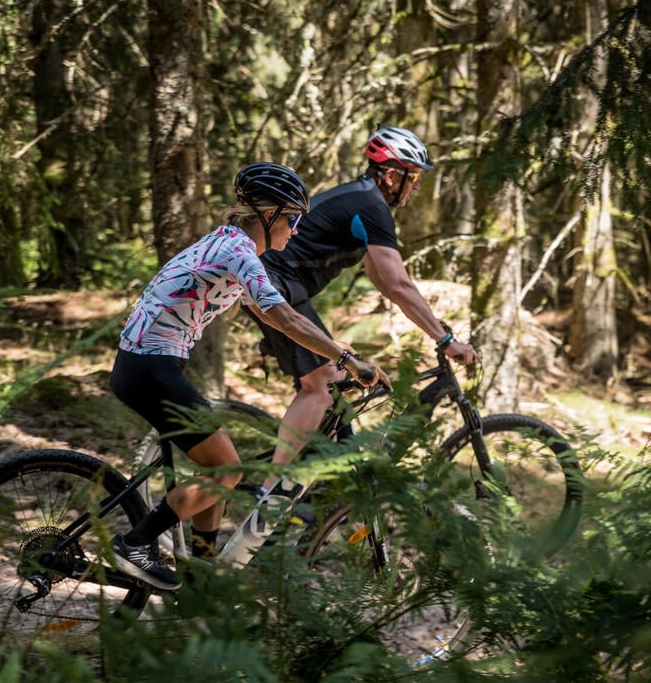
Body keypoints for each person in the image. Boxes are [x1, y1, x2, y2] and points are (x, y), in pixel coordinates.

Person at [109, 162, 389, 590]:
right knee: (228, 470)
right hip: (150, 367)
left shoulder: (233, 248)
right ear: (270, 215)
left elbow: (280, 318)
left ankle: (199, 582)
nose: (296, 230)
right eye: (293, 219)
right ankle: (136, 542)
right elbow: (290, 320)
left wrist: (340, 355)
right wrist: (347, 359)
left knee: (219, 471)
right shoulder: (238, 252)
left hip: (148, 365)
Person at [255, 125, 477, 486]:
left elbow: (385, 282)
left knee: (342, 375)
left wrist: (432, 325)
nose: (416, 186)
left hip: (281, 285)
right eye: (413, 177)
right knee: (323, 382)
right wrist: (445, 340)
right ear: (391, 175)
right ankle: (271, 494)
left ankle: (318, 473)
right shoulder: (371, 206)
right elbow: (399, 284)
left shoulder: (364, 201)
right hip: (273, 284)